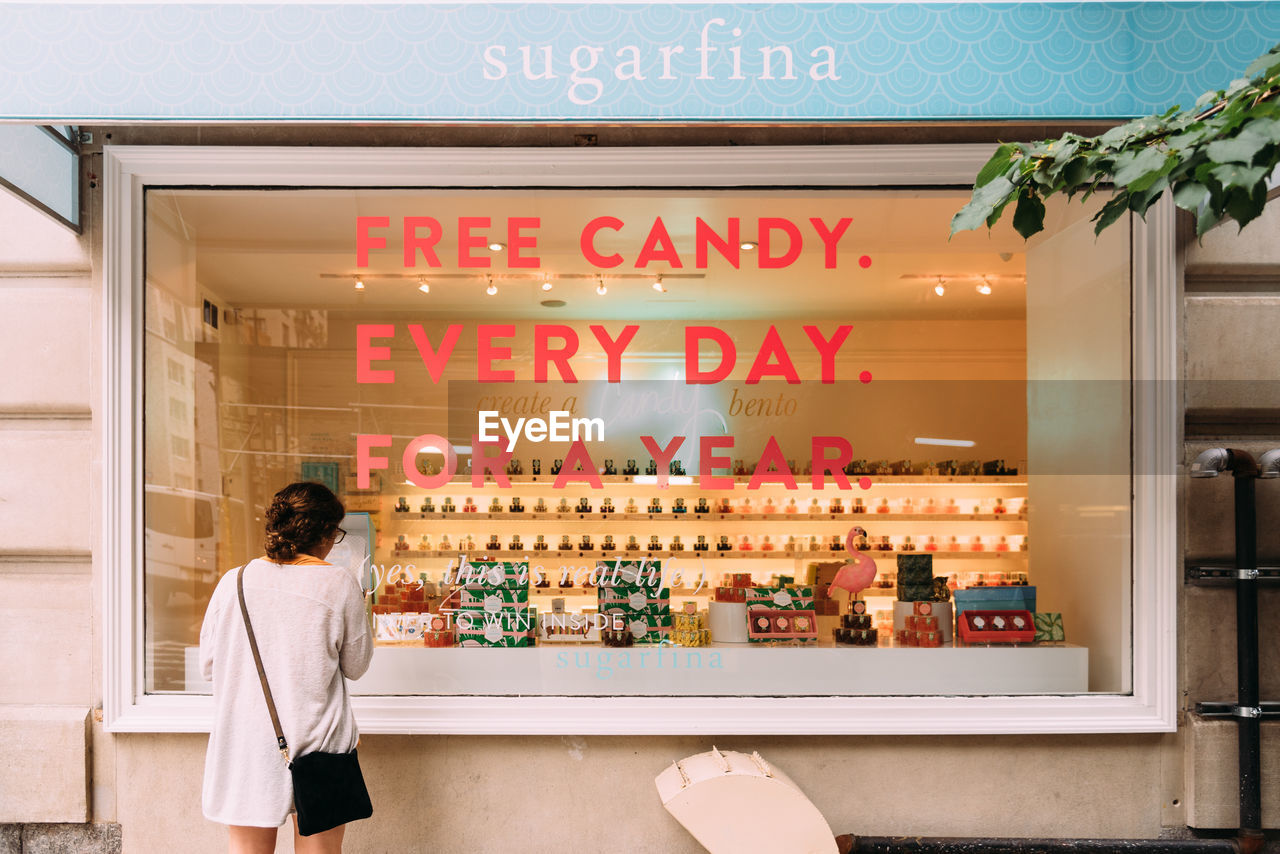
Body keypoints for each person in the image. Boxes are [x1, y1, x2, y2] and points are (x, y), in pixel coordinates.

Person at [199, 482, 374, 854]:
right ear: (326, 534)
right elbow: (356, 666)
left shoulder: (234, 581)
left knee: (247, 850)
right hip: (318, 743)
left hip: (246, 741)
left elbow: (209, 665)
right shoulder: (338, 584)